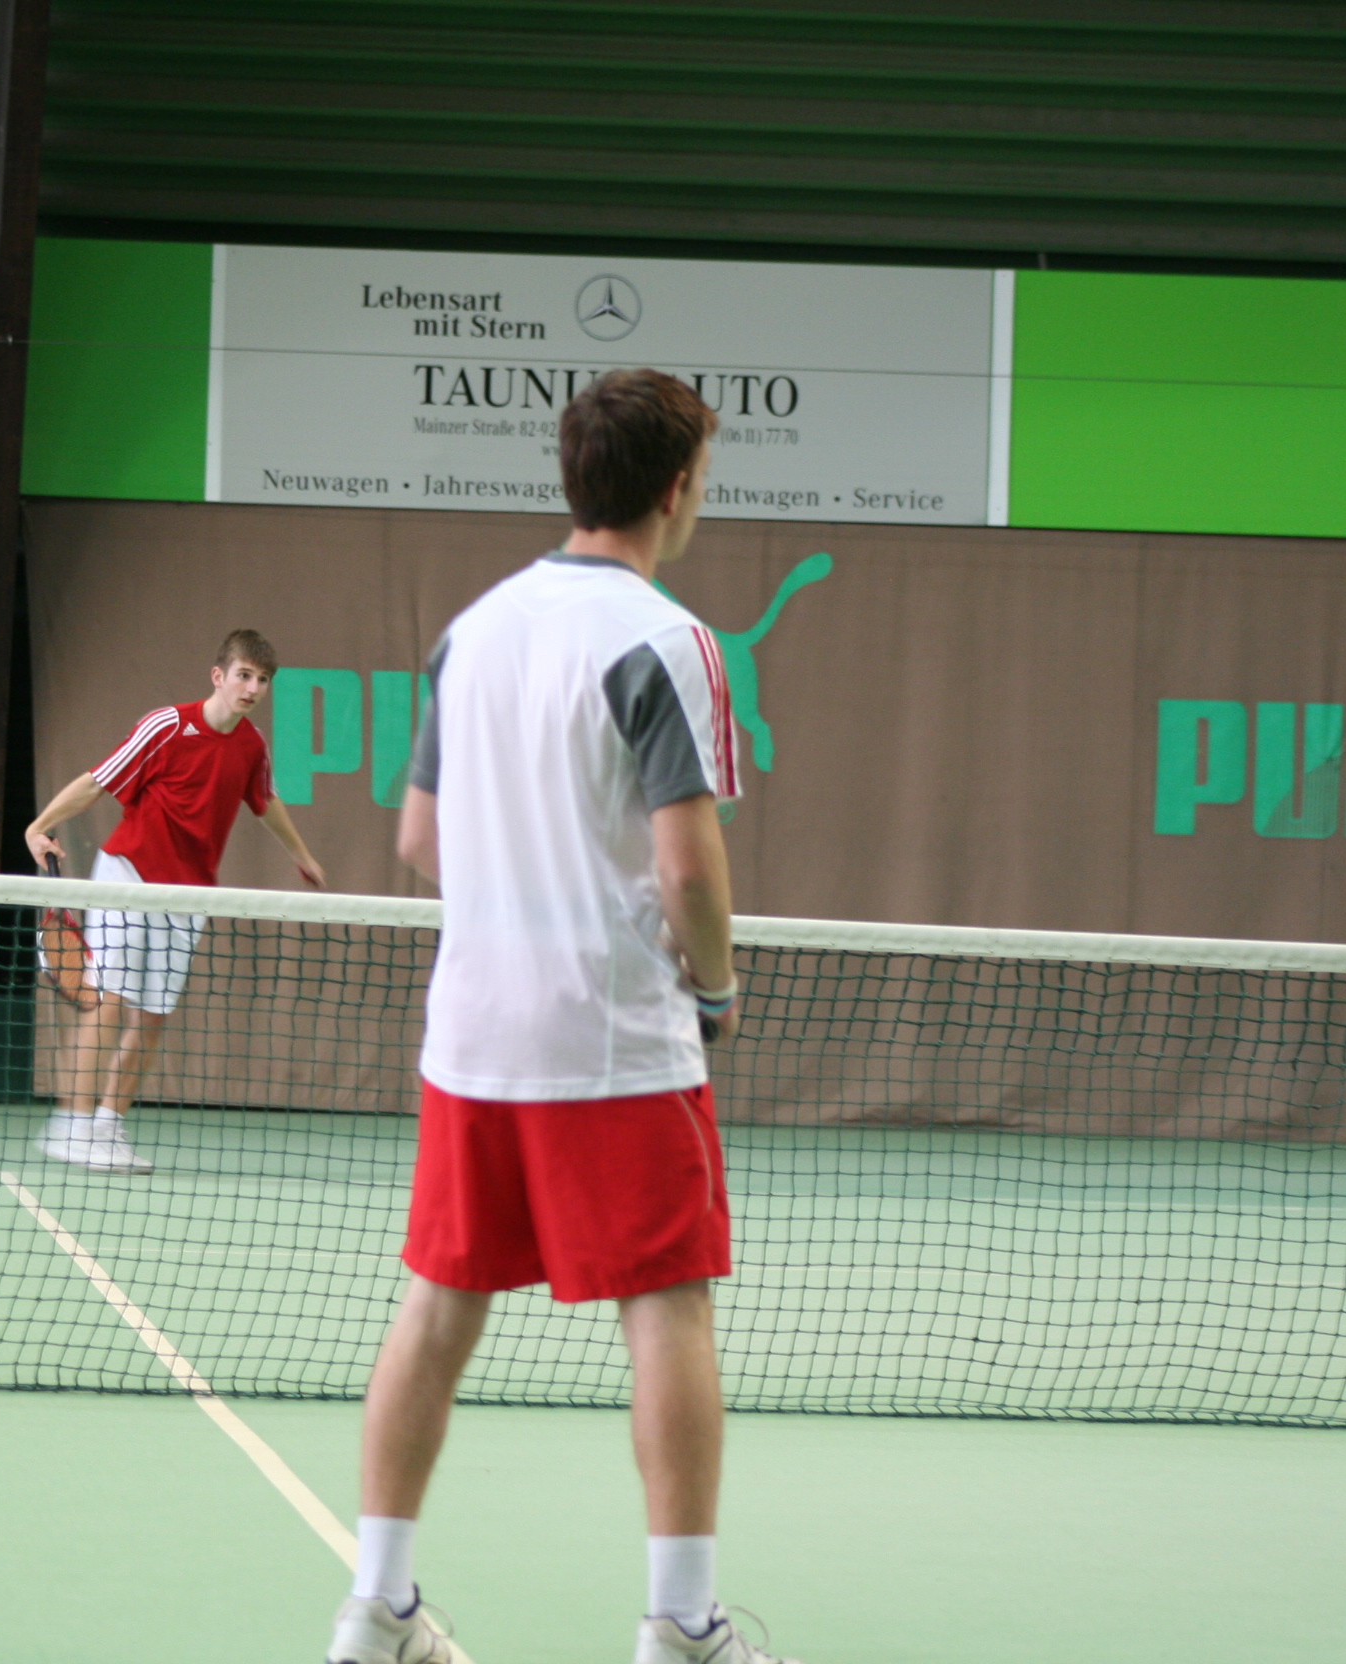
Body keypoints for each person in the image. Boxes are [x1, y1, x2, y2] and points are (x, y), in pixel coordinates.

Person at [327, 369, 801, 1664]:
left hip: (473, 1037)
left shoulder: (472, 631)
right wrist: (718, 989)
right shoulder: (667, 641)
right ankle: (683, 1625)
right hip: (617, 1045)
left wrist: (519, 896)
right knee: (669, 1313)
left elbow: (418, 839)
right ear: (677, 488)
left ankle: (375, 1606)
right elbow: (691, 871)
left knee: (437, 1307)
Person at [24, 629, 327, 1175]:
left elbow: (265, 800)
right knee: (108, 1000)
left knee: (152, 1018)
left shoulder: (252, 746)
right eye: (244, 675)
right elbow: (97, 782)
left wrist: (301, 854)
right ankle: (71, 1126)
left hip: (187, 896)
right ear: (218, 676)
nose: (252, 688)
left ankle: (107, 1129)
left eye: (262, 680)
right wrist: (39, 826)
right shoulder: (166, 726)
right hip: (127, 875)